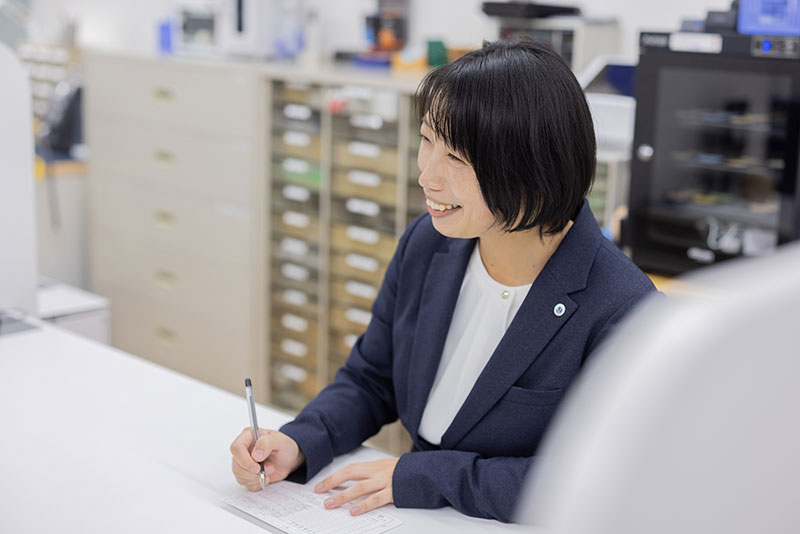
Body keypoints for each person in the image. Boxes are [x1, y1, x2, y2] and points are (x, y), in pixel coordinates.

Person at [230, 38, 657, 523]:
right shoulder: (430, 243)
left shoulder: (625, 310)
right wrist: (301, 441)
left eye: (455, 157)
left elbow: (592, 478)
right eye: (427, 140)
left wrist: (424, 477)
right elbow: (372, 379)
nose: (426, 175)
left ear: (532, 170)